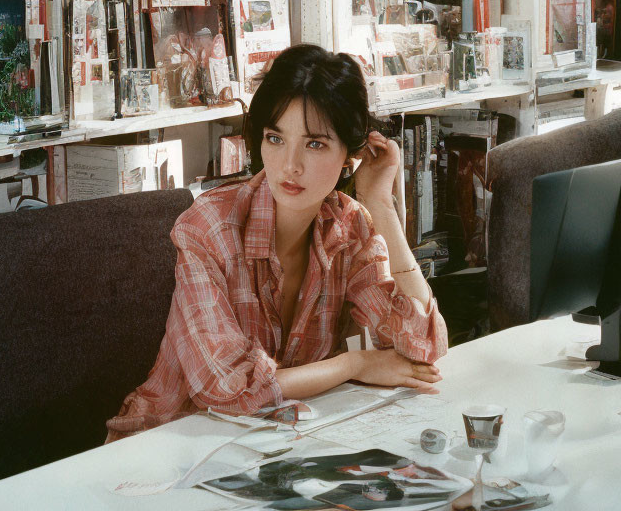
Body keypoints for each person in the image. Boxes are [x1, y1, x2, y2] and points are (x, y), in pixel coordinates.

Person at [106, 44, 447, 442]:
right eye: (276, 138)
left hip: (273, 440)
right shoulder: (208, 228)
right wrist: (353, 365)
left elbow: (423, 346)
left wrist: (381, 204)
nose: (290, 166)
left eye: (315, 143)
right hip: (171, 441)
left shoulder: (349, 226)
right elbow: (226, 391)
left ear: (349, 156)